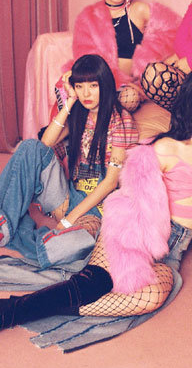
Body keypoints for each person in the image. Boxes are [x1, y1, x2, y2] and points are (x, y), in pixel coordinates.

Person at [0, 67, 192, 349]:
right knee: (95, 283)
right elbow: (132, 201)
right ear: (190, 104)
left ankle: (56, 305)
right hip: (133, 230)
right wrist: (129, 247)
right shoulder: (166, 147)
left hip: (172, 250)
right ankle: (11, 311)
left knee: (151, 297)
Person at [0, 54, 138, 270]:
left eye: (93, 86)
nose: (86, 94)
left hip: (96, 208)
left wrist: (68, 220)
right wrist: (69, 102)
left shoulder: (120, 121)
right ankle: (5, 227)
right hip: (66, 195)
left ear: (105, 84)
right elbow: (44, 144)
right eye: (80, 86)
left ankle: (27, 240)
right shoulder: (79, 114)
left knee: (78, 244)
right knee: (29, 147)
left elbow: (110, 182)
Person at [57, 0, 181, 112]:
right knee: (72, 88)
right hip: (99, 83)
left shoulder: (138, 10)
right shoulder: (88, 17)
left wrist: (149, 71)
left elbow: (177, 30)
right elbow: (85, 59)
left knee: (130, 98)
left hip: (131, 87)